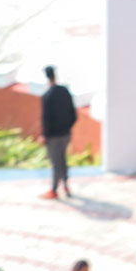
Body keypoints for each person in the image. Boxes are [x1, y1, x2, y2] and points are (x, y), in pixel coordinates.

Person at [40, 65, 77, 200]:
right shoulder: (65, 91)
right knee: (62, 160)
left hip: (54, 136)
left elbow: (46, 119)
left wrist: (45, 135)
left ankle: (54, 190)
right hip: (66, 133)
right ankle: (65, 185)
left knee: (56, 162)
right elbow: (73, 115)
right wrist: (67, 127)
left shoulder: (47, 96)